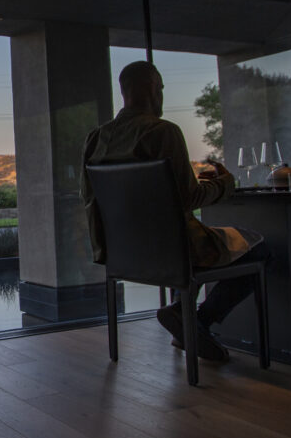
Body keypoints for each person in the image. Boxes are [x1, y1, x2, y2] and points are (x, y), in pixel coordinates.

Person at [81, 60, 268, 361]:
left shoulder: (96, 139)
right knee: (259, 247)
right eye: (162, 89)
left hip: (125, 254)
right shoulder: (162, 132)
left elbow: (89, 198)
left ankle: (186, 319)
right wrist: (225, 183)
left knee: (227, 240)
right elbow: (189, 198)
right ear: (155, 89)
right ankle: (193, 318)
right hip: (179, 252)